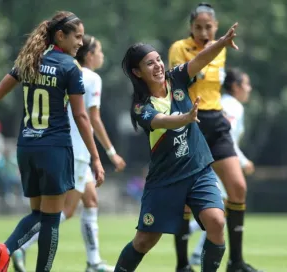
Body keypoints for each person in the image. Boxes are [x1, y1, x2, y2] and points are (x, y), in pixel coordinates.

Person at [0, 11, 105, 272]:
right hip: (54, 149)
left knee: (39, 215)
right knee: (51, 221)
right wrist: (96, 157)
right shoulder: (69, 67)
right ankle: (7, 250)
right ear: (60, 36)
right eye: (78, 37)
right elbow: (82, 115)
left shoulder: (30, 61)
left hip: (26, 147)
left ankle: (5, 251)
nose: (81, 43)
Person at [113, 22, 239, 272]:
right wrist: (185, 118)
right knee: (145, 240)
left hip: (198, 169)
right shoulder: (141, 106)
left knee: (216, 221)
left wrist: (222, 43)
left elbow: (199, 60)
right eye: (149, 63)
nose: (158, 65)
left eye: (158, 60)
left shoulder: (176, 78)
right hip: (166, 179)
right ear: (137, 73)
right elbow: (160, 121)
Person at [11, 34, 125, 272]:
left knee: (91, 200)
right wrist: (110, 152)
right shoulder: (90, 77)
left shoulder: (58, 68)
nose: (102, 55)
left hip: (57, 145)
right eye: (100, 51)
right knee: (64, 211)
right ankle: (22, 245)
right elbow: (91, 118)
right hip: (77, 150)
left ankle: (93, 261)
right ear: (90, 55)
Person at [168, 3, 262, 272]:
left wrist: (218, 46)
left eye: (208, 27)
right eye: (198, 27)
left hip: (215, 121)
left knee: (238, 187)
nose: (203, 32)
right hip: (189, 121)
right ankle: (182, 264)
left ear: (216, 27)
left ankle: (236, 261)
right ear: (190, 28)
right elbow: (178, 81)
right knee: (186, 195)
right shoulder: (179, 48)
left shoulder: (222, 49)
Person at [189, 68, 254, 265]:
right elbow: (228, 140)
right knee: (223, 207)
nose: (249, 89)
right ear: (235, 87)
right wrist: (243, 162)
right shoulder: (233, 106)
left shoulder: (218, 103)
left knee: (220, 208)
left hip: (204, 158)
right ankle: (190, 236)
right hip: (218, 160)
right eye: (247, 84)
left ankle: (196, 247)